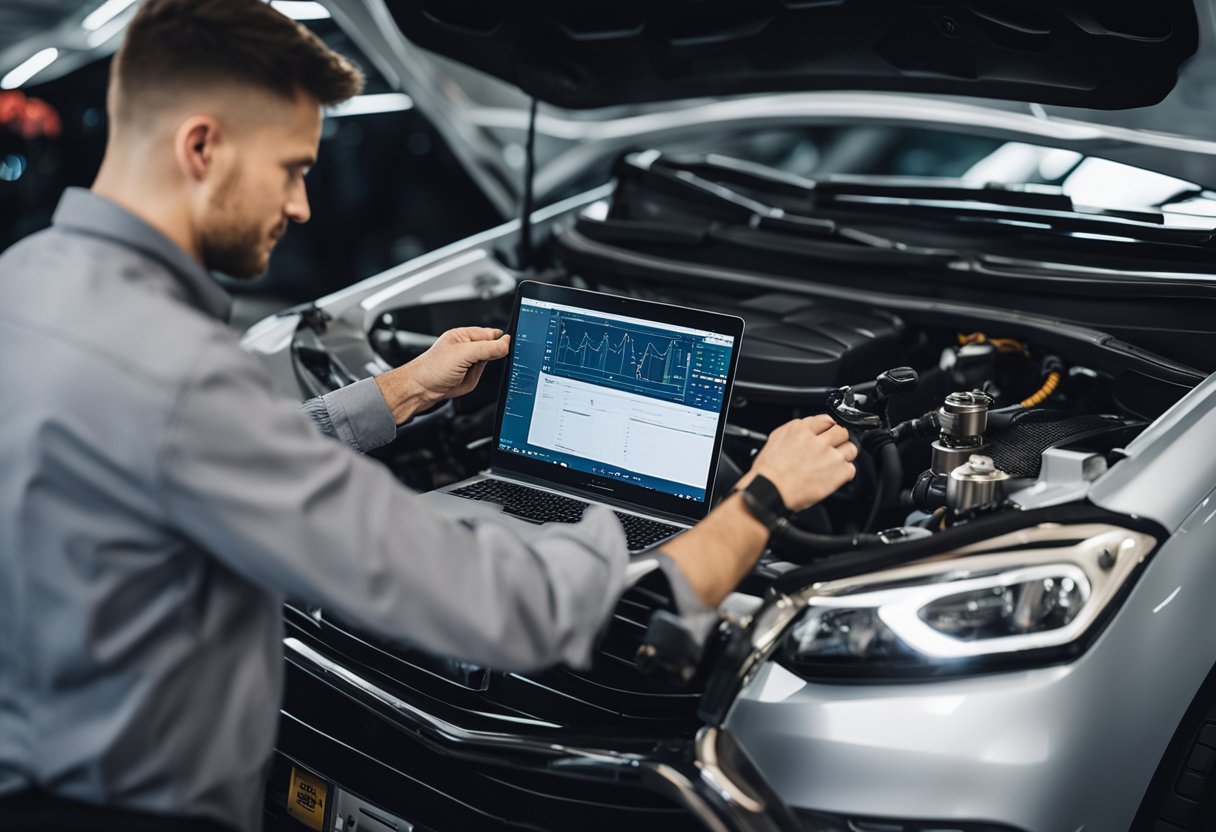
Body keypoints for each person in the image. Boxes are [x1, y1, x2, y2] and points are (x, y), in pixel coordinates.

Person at [0, 1, 857, 830]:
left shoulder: (29, 281)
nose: (301, 206)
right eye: (293, 167)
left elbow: (188, 463)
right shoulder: (179, 371)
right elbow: (513, 606)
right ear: (202, 146)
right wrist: (759, 502)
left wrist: (404, 389)